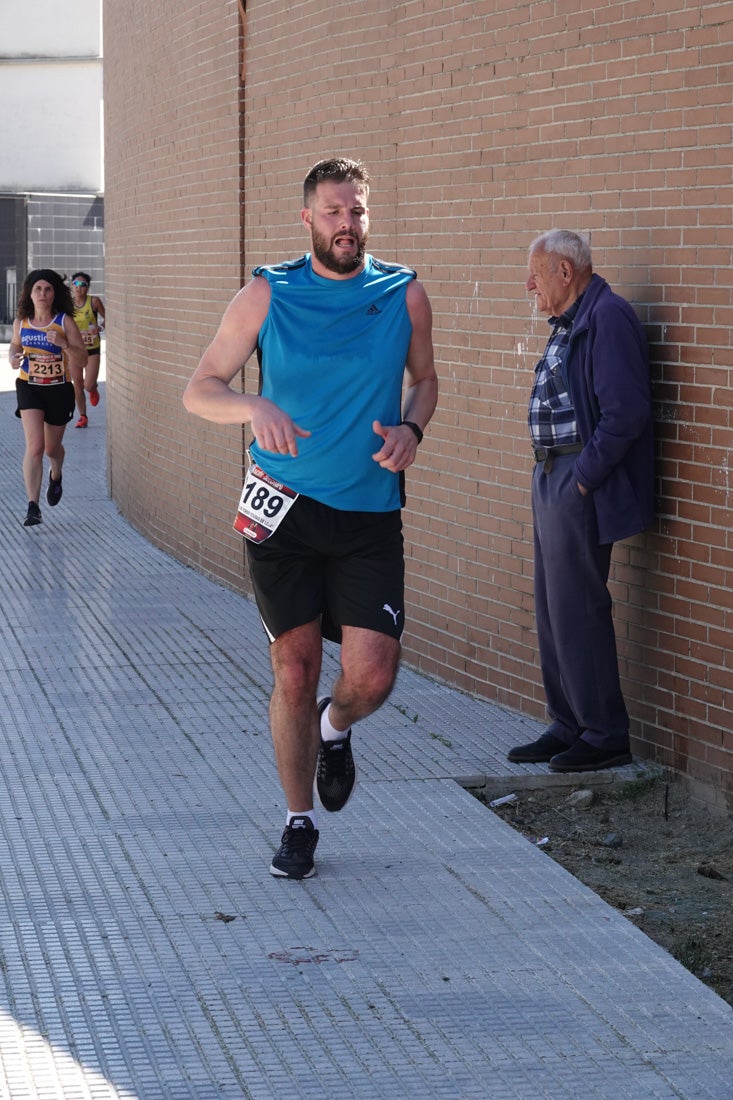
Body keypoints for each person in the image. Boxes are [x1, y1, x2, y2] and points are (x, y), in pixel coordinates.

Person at [184, 157, 438, 879]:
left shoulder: (402, 293)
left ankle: (336, 727)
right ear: (307, 220)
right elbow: (199, 388)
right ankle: (298, 822)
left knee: (374, 676)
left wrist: (411, 431)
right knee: (293, 671)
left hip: (367, 513)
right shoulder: (268, 292)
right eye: (333, 212)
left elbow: (426, 381)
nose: (346, 225)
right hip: (283, 511)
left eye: (356, 211)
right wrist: (252, 405)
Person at [508, 230, 654, 773]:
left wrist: (584, 479)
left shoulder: (607, 318)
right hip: (552, 473)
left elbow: (626, 412)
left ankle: (604, 733)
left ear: (565, 273)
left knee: (579, 607)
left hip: (576, 475)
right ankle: (568, 722)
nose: (530, 285)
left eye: (536, 274)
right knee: (552, 607)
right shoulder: (571, 322)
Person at [8, 269, 87, 527]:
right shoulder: (22, 321)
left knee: (52, 449)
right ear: (29, 294)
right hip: (29, 386)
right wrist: (13, 357)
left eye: (48, 289)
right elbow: (15, 345)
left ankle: (56, 474)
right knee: (35, 447)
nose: (42, 294)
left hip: (58, 388)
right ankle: (33, 506)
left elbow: (83, 358)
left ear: (54, 294)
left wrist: (64, 343)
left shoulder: (64, 322)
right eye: (37, 289)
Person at [70, 271, 106, 427]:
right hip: (75, 349)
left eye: (83, 285)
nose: (79, 288)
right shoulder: (67, 305)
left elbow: (107, 317)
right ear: (72, 286)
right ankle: (83, 416)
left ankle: (93, 388)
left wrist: (99, 327)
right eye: (76, 284)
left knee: (87, 384)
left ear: (88, 287)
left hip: (92, 348)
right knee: (77, 384)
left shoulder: (94, 302)